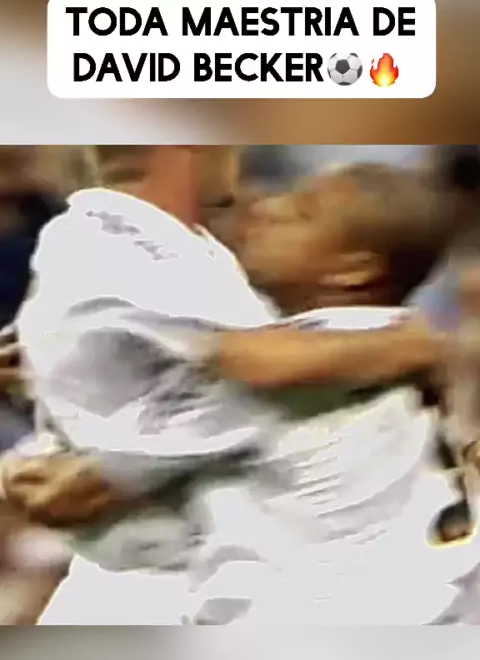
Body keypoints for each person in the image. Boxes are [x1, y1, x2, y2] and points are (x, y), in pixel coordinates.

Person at [2, 147, 471, 624]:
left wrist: (93, 351)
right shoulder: (351, 337)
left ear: (352, 270)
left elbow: (86, 484)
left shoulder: (321, 364)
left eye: (301, 214)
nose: (267, 207)